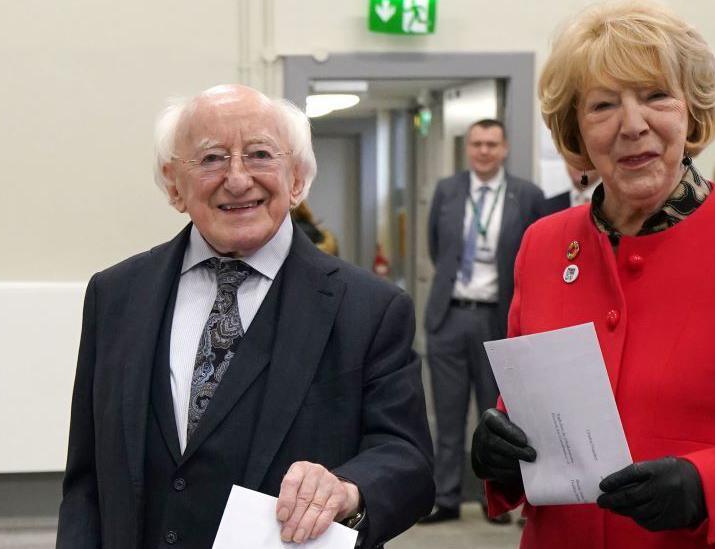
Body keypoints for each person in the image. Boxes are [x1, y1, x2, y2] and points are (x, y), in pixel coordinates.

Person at [470, 2, 715, 548]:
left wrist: (710, 486)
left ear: (691, 111)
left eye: (656, 96)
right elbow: (529, 406)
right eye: (603, 105)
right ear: (577, 129)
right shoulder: (543, 244)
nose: (633, 125)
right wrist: (499, 452)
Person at [56, 84, 434, 549]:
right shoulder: (114, 296)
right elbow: (87, 480)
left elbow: (407, 460)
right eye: (211, 158)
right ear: (174, 183)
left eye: (259, 154)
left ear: (296, 178)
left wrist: (348, 489)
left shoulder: (370, 309)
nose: (237, 179)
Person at [421, 119, 550, 524]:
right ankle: (446, 497)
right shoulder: (448, 191)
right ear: (468, 148)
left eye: (492, 144)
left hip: (498, 318)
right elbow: (436, 247)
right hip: (450, 315)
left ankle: (494, 498)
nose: (483, 151)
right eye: (477, 144)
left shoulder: (526, 196)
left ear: (505, 148)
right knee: (446, 412)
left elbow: (535, 253)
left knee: (496, 413)